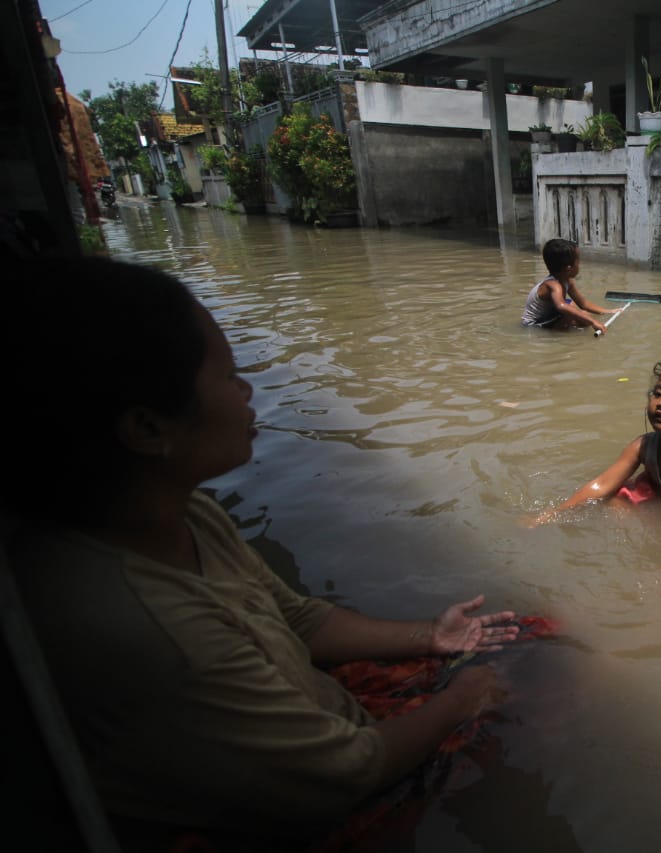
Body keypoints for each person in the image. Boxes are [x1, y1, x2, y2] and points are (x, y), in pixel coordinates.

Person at [2, 257, 520, 841]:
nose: (248, 390)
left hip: (320, 723)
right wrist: (459, 701)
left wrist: (430, 634)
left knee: (524, 636)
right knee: (522, 715)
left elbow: (295, 617)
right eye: (228, 377)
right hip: (306, 799)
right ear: (149, 429)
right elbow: (348, 772)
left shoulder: (182, 512)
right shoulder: (157, 630)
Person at [530, 352, 661, 602]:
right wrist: (556, 512)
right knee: (614, 502)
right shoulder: (642, 445)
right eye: (658, 392)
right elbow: (602, 485)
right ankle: (629, 551)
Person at [520, 238, 621, 333]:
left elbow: (584, 304)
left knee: (582, 313)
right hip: (534, 324)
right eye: (578, 262)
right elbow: (561, 306)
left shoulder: (567, 281)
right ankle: (559, 333)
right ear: (569, 268)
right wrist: (593, 322)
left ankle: (566, 325)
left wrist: (608, 311)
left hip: (550, 314)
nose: (580, 265)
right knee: (570, 312)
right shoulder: (553, 285)